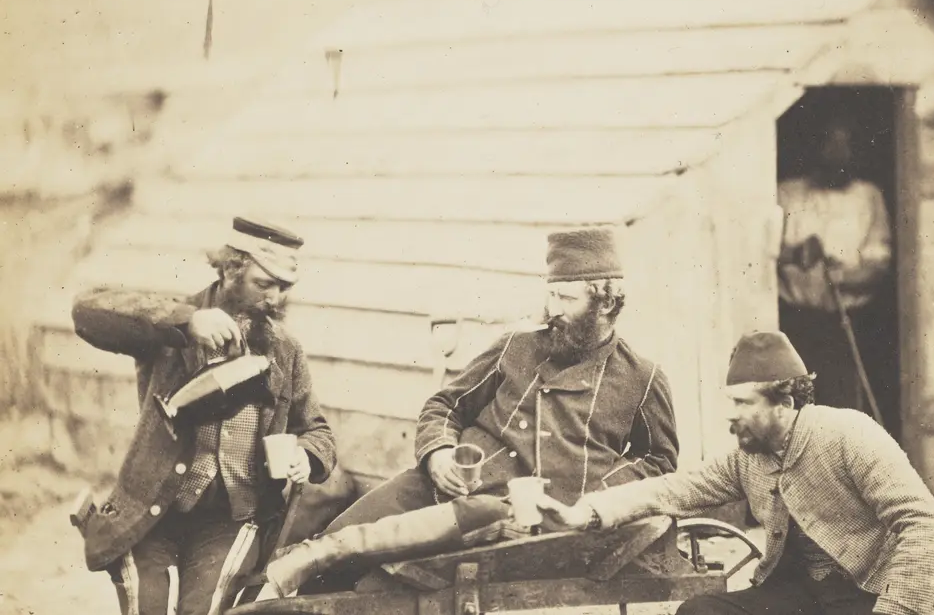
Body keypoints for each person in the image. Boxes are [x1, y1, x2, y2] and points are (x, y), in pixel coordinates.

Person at [279, 227, 679, 596]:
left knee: (375, 586)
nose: (552, 308)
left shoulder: (641, 378)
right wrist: (437, 454)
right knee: (332, 553)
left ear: (605, 302)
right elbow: (445, 405)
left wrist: (587, 492)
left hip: (517, 520)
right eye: (551, 294)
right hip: (442, 485)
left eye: (567, 299)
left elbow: (659, 461)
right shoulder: (516, 347)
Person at [537, 331, 934, 615]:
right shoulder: (750, 457)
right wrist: (588, 511)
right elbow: (673, 488)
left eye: (744, 404)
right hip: (803, 596)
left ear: (785, 403)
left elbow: (927, 526)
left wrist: (893, 610)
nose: (733, 416)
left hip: (876, 594)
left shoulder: (849, 435)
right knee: (699, 613)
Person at [70, 216, 337, 615]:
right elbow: (86, 312)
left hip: (231, 519)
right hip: (151, 511)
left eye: (283, 288)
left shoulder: (285, 350)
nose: (275, 299)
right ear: (230, 271)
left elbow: (317, 430)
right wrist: (184, 322)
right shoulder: (174, 325)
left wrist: (306, 455)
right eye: (263, 285)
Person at [777, 117, 893, 418]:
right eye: (830, 144)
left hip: (846, 326)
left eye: (845, 147)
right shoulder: (787, 194)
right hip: (797, 324)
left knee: (844, 413)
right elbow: (759, 253)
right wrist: (797, 253)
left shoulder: (867, 197)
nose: (837, 155)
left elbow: (878, 264)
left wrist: (842, 276)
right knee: (798, 413)